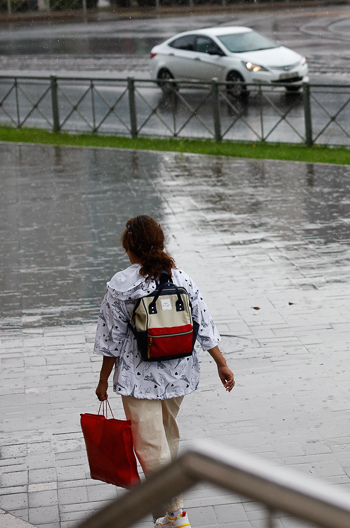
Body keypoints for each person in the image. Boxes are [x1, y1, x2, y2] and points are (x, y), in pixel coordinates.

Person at [93, 215, 235, 527]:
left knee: (149, 446)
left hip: (138, 377)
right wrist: (221, 363)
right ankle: (169, 514)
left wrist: (103, 380)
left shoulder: (122, 285)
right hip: (178, 372)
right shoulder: (180, 277)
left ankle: (177, 514)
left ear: (130, 247)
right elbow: (204, 323)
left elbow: (111, 339)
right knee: (166, 437)